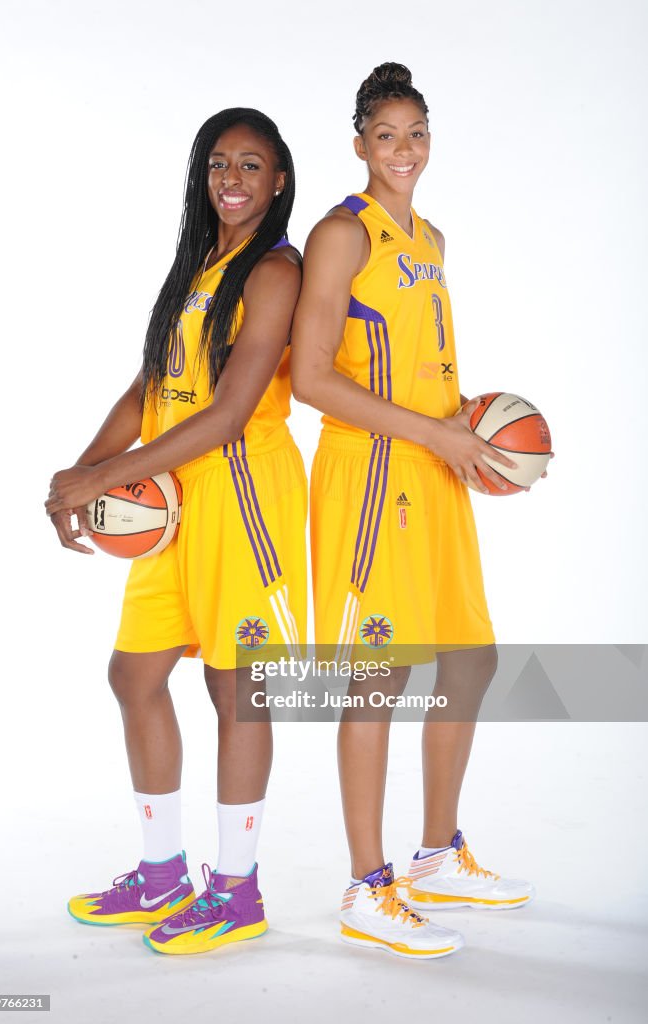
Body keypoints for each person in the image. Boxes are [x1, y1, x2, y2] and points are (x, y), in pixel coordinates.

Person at [46, 108, 307, 956]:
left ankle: (235, 891)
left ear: (277, 180)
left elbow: (231, 414)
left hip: (244, 501)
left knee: (236, 692)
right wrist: (83, 471)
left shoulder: (274, 270)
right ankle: (163, 873)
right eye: (218, 163)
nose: (232, 178)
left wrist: (108, 478)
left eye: (251, 164)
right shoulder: (200, 265)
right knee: (135, 675)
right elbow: (146, 386)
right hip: (171, 501)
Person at [291, 63, 536, 960]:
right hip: (369, 482)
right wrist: (433, 437)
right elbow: (315, 380)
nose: (403, 150)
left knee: (470, 658)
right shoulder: (338, 235)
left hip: (434, 473)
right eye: (386, 135)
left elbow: (423, 369)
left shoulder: (429, 236)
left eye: (416, 133)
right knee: (376, 680)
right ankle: (366, 884)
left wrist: (478, 430)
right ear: (358, 143)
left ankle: (437, 854)